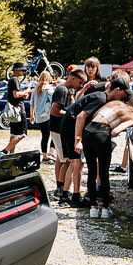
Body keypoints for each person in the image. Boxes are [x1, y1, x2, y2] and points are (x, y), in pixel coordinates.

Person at [81, 95, 133, 217]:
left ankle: (93, 208)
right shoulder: (131, 116)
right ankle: (105, 209)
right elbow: (114, 132)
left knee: (91, 171)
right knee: (103, 173)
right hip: (102, 135)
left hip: (87, 132)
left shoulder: (116, 104)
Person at [50, 67, 86, 203]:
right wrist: (71, 114)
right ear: (72, 78)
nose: (80, 85)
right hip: (58, 129)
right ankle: (60, 190)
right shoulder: (62, 90)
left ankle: (61, 188)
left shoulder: (67, 90)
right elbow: (54, 111)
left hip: (60, 129)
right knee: (66, 160)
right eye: (80, 82)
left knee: (63, 159)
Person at [1, 63, 31, 153]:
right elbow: (16, 94)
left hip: (14, 110)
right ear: (17, 70)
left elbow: (16, 95)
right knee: (22, 134)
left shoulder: (11, 80)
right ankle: (5, 151)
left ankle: (11, 154)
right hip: (19, 110)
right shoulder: (15, 80)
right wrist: (27, 91)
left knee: (14, 134)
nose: (23, 72)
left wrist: (25, 94)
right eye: (22, 70)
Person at [29, 70, 54, 159]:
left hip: (39, 116)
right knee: (54, 135)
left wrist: (32, 115)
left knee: (44, 136)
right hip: (48, 116)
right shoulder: (49, 88)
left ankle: (44, 155)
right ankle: (51, 153)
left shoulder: (35, 90)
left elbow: (31, 104)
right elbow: (52, 102)